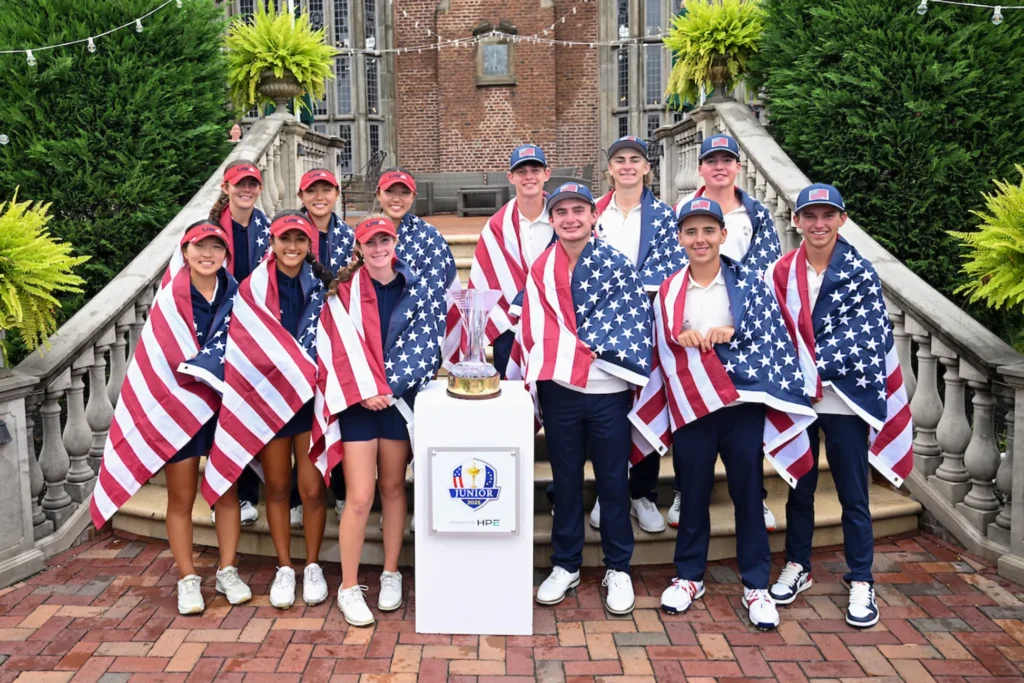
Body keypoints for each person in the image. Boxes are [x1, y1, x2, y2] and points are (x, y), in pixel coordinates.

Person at [634, 197, 818, 631]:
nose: (700, 239)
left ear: (722, 234)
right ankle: (688, 576)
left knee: (748, 494)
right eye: (691, 232)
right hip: (693, 406)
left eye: (708, 230)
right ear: (680, 238)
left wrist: (733, 332)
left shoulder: (750, 283)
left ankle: (756, 583)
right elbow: (662, 348)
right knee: (692, 492)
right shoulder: (668, 290)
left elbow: (770, 337)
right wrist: (682, 338)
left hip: (740, 406)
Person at [765, 184, 912, 629]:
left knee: (853, 493)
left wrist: (812, 367)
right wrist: (795, 376)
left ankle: (862, 578)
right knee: (800, 488)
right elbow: (772, 330)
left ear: (842, 220)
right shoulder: (781, 270)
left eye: (828, 215)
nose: (819, 224)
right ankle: (798, 565)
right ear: (797, 221)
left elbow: (865, 338)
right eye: (810, 216)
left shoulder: (860, 271)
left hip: (846, 397)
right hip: (801, 401)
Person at [91, 221, 251, 615]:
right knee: (181, 497)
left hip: (223, 405)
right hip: (179, 406)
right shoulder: (169, 298)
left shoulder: (239, 295)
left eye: (216, 247)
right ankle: (187, 578)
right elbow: (159, 360)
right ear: (185, 252)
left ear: (226, 255)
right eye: (200, 247)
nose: (207, 254)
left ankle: (228, 570)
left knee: (227, 492)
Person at [518, 182, 654, 615]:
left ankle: (618, 567)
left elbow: (631, 323)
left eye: (579, 209)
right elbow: (535, 329)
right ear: (553, 219)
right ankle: (566, 564)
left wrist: (583, 346)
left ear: (594, 216)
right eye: (562, 212)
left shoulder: (616, 265)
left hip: (607, 391)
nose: (570, 218)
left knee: (614, 480)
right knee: (566, 479)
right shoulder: (540, 269)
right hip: (559, 390)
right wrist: (566, 354)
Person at [309, 215, 446, 626]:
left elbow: (427, 349)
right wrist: (364, 391)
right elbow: (332, 350)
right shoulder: (342, 293)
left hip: (397, 403)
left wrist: (385, 388)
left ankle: (390, 573)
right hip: (357, 406)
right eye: (371, 243)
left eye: (385, 240)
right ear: (359, 248)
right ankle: (349, 585)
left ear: (395, 242)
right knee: (360, 496)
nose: (379, 248)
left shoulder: (418, 289)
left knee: (392, 488)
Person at [202, 211, 336, 610]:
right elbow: (241, 341)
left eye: (299, 239)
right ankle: (284, 566)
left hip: (311, 400)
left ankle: (312, 565)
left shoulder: (325, 288)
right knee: (276, 487)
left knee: (311, 490)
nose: (291, 247)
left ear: (309, 244)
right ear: (272, 243)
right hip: (270, 401)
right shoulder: (251, 289)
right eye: (284, 239)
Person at [670, 134, 784, 532]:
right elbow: (672, 271)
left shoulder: (755, 212)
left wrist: (740, 319)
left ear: (737, 167)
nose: (719, 166)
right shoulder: (682, 210)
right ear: (700, 168)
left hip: (738, 332)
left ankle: (757, 500)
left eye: (727, 160)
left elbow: (766, 273)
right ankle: (685, 492)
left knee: (744, 432)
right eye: (711, 160)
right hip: (693, 331)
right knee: (691, 423)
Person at [588, 135, 688, 534]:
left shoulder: (666, 217)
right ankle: (608, 492)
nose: (627, 166)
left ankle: (641, 493)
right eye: (619, 160)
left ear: (648, 167)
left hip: (648, 329)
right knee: (608, 415)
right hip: (598, 331)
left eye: (635, 160)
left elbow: (670, 272)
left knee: (646, 405)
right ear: (609, 169)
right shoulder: (592, 214)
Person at [175, 159, 271, 529]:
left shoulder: (267, 229)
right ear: (225, 187)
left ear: (259, 188)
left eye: (252, 184)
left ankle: (250, 489)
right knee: (222, 413)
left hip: (256, 330)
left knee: (249, 411)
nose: (246, 190)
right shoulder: (210, 233)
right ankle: (234, 494)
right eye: (239, 184)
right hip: (216, 332)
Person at [293, 168, 356, 525]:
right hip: (299, 340)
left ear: (336, 193)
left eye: (326, 189)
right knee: (300, 419)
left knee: (339, 415)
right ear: (301, 196)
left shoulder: (349, 237)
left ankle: (344, 491)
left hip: (338, 339)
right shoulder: (289, 234)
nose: (320, 196)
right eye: (311, 190)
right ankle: (300, 494)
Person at [464, 144, 553, 378]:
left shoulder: (563, 218)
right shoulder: (496, 226)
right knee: (514, 402)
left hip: (556, 324)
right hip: (511, 327)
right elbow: (483, 282)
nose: (529, 177)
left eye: (535, 169)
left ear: (547, 174)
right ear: (511, 177)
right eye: (522, 172)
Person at [374, 168, 461, 369]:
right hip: (373, 338)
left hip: (417, 339)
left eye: (404, 192)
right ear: (378, 194)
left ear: (413, 197)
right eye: (390, 192)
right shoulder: (363, 234)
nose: (397, 199)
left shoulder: (430, 237)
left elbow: (437, 295)